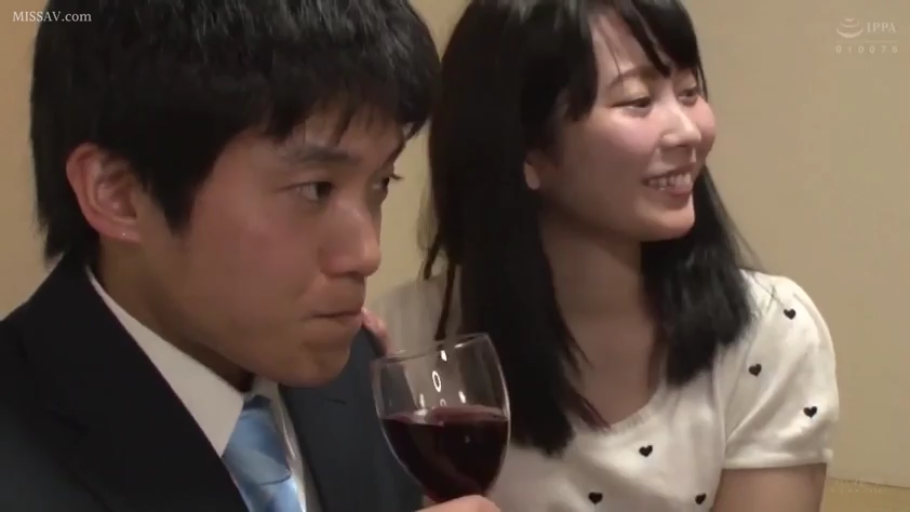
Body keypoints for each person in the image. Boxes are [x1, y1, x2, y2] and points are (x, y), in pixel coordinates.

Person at [0, 1, 499, 511]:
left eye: (381, 182)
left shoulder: (356, 368)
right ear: (120, 195)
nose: (366, 253)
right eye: (315, 188)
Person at [370, 0, 840, 510]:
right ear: (526, 148)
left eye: (689, 92)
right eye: (639, 100)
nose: (688, 131)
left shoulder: (769, 333)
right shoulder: (403, 344)